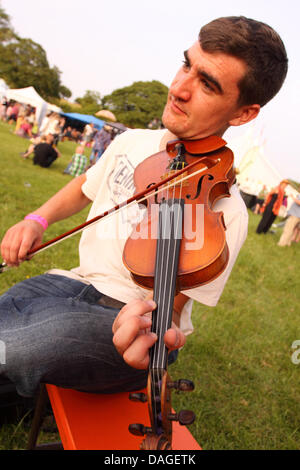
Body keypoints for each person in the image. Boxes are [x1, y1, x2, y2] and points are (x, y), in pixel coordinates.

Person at [0, 16, 288, 399]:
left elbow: (167, 311)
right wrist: (37, 219)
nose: (179, 88)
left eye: (207, 84)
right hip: (69, 282)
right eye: (187, 64)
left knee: (19, 342)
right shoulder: (131, 142)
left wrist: (150, 324)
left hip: (122, 317)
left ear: (242, 113)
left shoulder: (225, 211)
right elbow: (84, 188)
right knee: (9, 325)